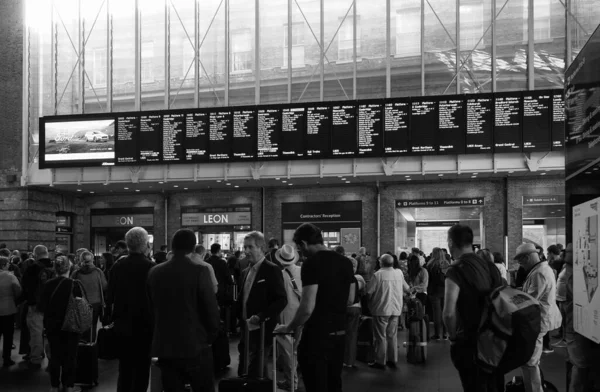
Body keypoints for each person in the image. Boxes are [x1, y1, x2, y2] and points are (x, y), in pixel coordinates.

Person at [275, 223, 354, 392]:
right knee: (334, 383)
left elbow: (307, 308)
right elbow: (350, 299)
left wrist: (288, 328)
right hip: (339, 335)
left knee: (316, 385)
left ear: (303, 244)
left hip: (317, 337)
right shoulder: (346, 262)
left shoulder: (311, 264)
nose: (300, 253)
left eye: (299, 248)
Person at [147, 229, 220, 392]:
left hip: (165, 346)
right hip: (195, 344)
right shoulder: (200, 271)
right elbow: (210, 308)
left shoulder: (155, 272)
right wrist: (211, 336)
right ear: (193, 247)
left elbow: (151, 308)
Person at [443, 224, 504, 392]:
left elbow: (448, 313)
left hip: (469, 342)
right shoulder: (490, 266)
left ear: (450, 242)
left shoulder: (455, 270)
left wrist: (453, 338)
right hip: (495, 338)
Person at [106, 227, 155, 392]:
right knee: (142, 368)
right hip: (145, 324)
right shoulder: (151, 267)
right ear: (145, 244)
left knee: (125, 368)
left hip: (122, 322)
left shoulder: (117, 266)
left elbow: (110, 295)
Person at [236, 231, 287, 378]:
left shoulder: (272, 270)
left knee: (257, 367)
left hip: (263, 328)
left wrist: (261, 316)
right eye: (245, 247)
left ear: (261, 247)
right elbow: (242, 298)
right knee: (246, 367)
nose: (246, 251)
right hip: (246, 328)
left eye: (250, 247)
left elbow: (281, 299)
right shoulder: (245, 271)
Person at [514, 243, 561, 392]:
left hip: (537, 322)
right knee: (532, 360)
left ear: (527, 257)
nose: (520, 264)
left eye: (520, 260)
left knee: (530, 362)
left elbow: (530, 300)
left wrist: (512, 299)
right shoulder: (541, 269)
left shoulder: (539, 273)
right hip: (538, 320)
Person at [38, 255, 83, 392]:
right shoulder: (74, 284)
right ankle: (69, 385)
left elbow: (41, 307)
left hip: (52, 324)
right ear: (69, 268)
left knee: (55, 356)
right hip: (71, 325)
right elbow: (81, 306)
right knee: (70, 356)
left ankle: (54, 385)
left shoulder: (48, 285)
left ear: (55, 268)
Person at [366, 254, 409, 370]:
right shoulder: (399, 273)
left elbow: (369, 292)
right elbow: (407, 288)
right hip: (395, 309)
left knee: (380, 336)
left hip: (381, 309)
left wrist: (369, 303)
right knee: (392, 336)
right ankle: (392, 359)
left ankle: (380, 361)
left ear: (381, 263)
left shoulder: (377, 275)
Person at [275, 244, 303, 391]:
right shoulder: (303, 271)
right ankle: (294, 380)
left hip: (286, 315)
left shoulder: (280, 275)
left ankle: (291, 382)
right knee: (296, 349)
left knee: (287, 351)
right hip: (303, 313)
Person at [22, 245, 54, 369]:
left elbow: (26, 287)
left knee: (36, 332)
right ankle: (52, 359)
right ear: (47, 253)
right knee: (52, 333)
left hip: (36, 305)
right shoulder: (54, 266)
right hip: (52, 306)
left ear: (35, 254)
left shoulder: (33, 268)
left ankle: (36, 358)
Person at [70, 251, 108, 342]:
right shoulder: (98, 272)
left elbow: (71, 287)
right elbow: (104, 286)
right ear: (92, 260)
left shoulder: (76, 273)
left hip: (81, 303)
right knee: (93, 325)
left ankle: (82, 345)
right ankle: (91, 345)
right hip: (96, 303)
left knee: (81, 325)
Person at [0, 256, 22, 367]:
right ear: (3, 265)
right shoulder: (10, 276)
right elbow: (18, 291)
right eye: (7, 263)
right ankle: (6, 358)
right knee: (8, 335)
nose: (9, 265)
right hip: (8, 309)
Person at [343, 257, 365, 369]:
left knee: (341, 335)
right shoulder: (357, 278)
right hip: (355, 308)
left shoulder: (339, 277)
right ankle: (350, 361)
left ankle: (340, 359)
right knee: (352, 335)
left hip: (341, 309)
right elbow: (362, 290)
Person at [426, 248, 448, 340]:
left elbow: (428, 279)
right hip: (445, 290)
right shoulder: (446, 264)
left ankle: (437, 334)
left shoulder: (430, 264)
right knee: (445, 312)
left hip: (433, 291)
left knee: (436, 313)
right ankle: (445, 334)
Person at [207, 243, 235, 314]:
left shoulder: (206, 262)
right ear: (219, 251)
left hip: (208, 290)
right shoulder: (222, 262)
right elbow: (228, 278)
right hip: (221, 291)